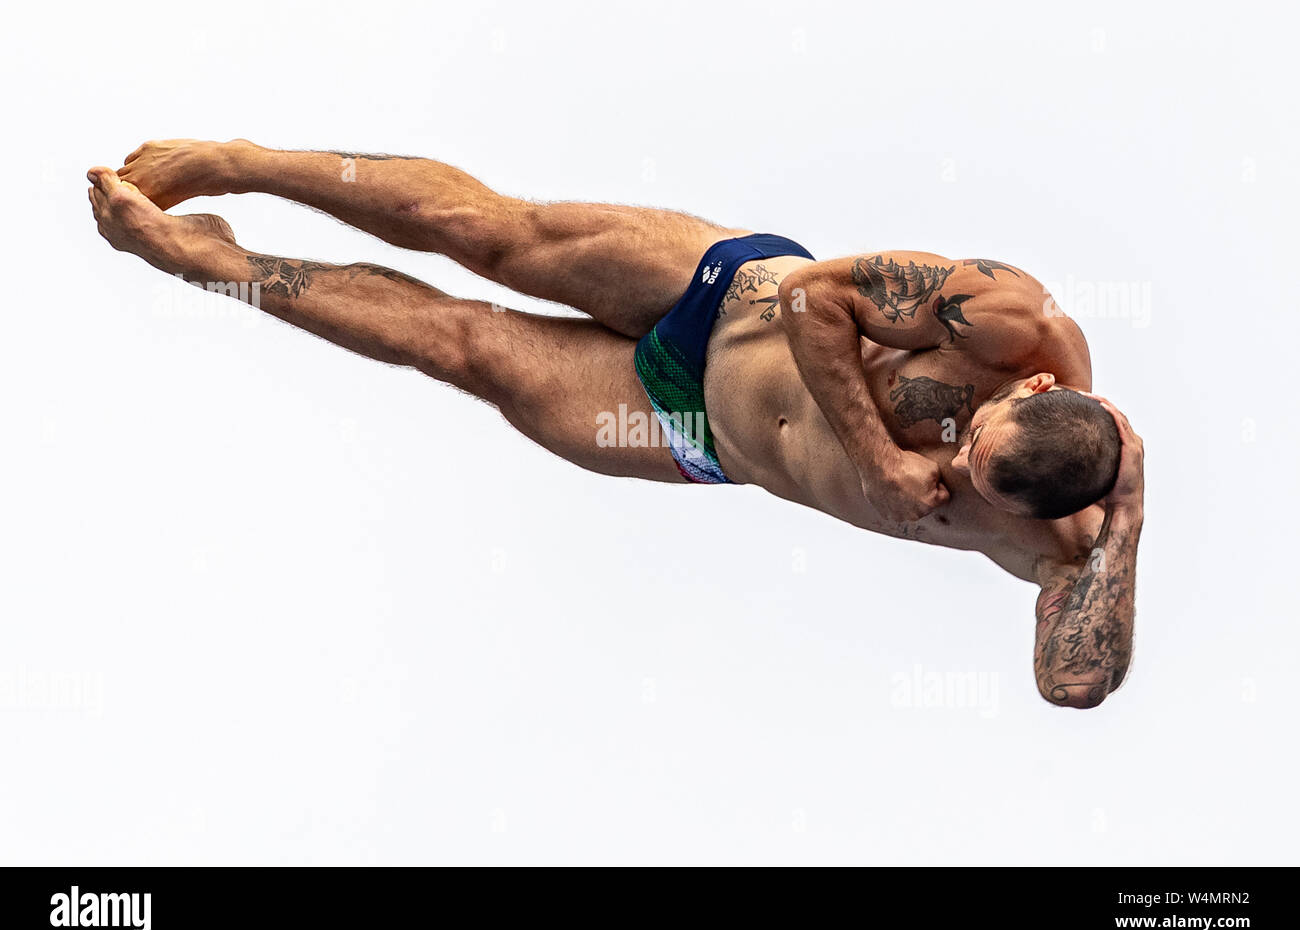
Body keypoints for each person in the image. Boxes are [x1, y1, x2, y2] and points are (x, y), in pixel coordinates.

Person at [88, 138, 1144, 708]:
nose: (952, 465)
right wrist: (876, 454)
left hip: (690, 433)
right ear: (1038, 386)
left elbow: (1073, 682)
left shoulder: (1064, 546)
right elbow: (813, 298)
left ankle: (209, 262)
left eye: (972, 478)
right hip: (728, 296)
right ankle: (239, 162)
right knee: (484, 233)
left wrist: (1127, 526)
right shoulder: (1009, 318)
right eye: (972, 441)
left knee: (454, 344)